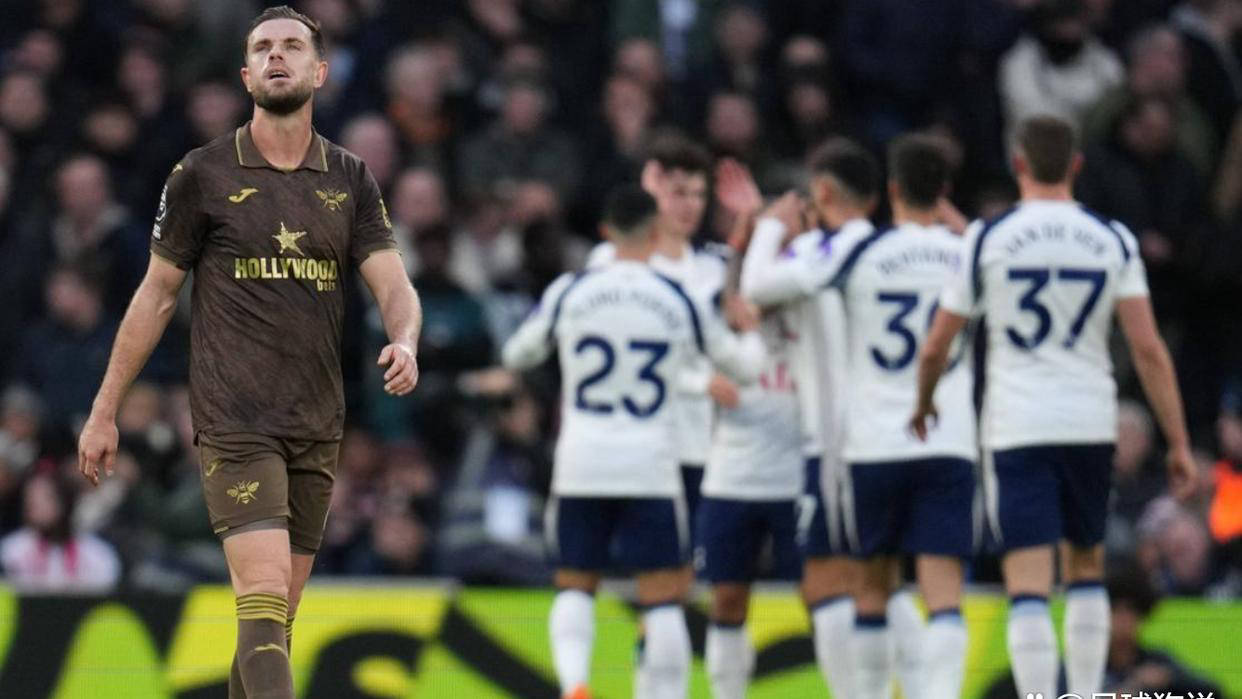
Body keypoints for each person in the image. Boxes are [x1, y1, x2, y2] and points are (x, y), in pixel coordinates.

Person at [75, 8, 422, 699]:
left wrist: (405, 340)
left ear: (320, 72)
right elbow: (155, 296)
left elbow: (393, 283)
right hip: (235, 420)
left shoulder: (350, 178)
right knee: (261, 593)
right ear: (245, 75)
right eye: (263, 48)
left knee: (273, 624)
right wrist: (104, 409)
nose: (276, 56)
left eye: (292, 46)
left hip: (317, 423)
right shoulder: (202, 174)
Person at [911, 114, 1197, 699]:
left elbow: (937, 343)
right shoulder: (1112, 238)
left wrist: (924, 402)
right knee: (1087, 568)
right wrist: (1178, 441)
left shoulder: (987, 238)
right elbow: (1147, 348)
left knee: (1028, 581)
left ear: (1018, 163)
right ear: (1076, 165)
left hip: (1018, 424)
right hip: (1089, 421)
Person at [501, 185, 765, 699]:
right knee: (663, 596)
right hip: (651, 465)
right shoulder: (677, 299)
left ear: (605, 233)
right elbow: (743, 368)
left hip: (582, 462)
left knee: (576, 581)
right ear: (655, 233)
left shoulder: (571, 291)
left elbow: (517, 354)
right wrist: (750, 331)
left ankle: (575, 683)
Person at [768, 134, 975, 699]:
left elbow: (777, 283)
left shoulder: (862, 251)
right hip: (947, 438)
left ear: (892, 190)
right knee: (943, 591)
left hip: (874, 443)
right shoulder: (968, 253)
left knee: (870, 588)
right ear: (945, 191)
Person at [740, 138, 924, 698]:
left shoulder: (830, 252)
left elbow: (754, 289)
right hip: (886, 434)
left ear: (821, 191)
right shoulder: (891, 248)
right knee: (880, 579)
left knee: (827, 579)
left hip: (837, 442)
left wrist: (768, 228)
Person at [696, 170, 803, 699]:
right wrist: (744, 235)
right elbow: (730, 302)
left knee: (825, 595)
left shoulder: (812, 282)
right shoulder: (724, 296)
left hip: (799, 474)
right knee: (727, 600)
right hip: (734, 474)